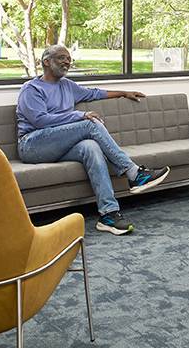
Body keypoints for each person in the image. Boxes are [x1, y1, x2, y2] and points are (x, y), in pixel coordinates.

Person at [16, 45, 170, 236]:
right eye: (62, 58)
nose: (67, 62)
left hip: (59, 144)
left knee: (91, 147)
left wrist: (123, 92)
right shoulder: (31, 89)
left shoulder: (67, 86)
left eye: (69, 59)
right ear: (46, 62)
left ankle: (108, 214)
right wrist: (80, 115)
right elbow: (40, 120)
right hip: (32, 145)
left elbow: (95, 93)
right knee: (90, 122)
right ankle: (133, 173)